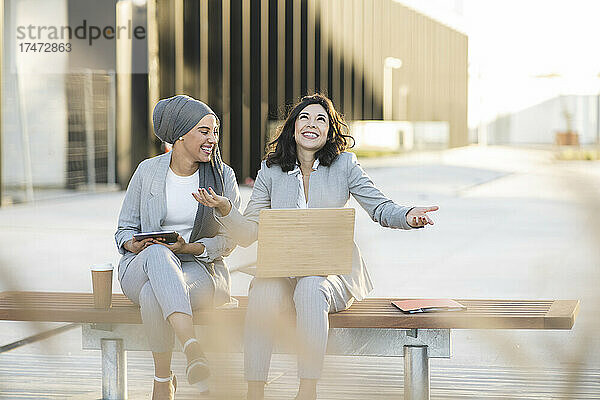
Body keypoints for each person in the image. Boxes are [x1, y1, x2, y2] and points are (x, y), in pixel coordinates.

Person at [194, 93, 438, 400]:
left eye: (320, 119)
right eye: (304, 118)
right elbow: (248, 232)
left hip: (331, 276)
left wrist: (408, 215)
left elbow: (379, 207)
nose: (312, 124)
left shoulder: (345, 165)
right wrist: (227, 209)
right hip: (284, 273)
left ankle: (307, 391)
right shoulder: (270, 170)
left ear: (329, 131)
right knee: (264, 290)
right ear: (293, 128)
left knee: (311, 288)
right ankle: (254, 390)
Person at [115, 95, 240, 400]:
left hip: (199, 272)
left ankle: (161, 382)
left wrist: (190, 249)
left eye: (215, 132)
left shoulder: (223, 178)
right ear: (181, 134)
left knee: (152, 294)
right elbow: (123, 231)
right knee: (157, 253)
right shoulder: (147, 171)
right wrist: (135, 242)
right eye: (204, 131)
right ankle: (192, 347)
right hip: (141, 266)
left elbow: (230, 242)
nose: (213, 139)